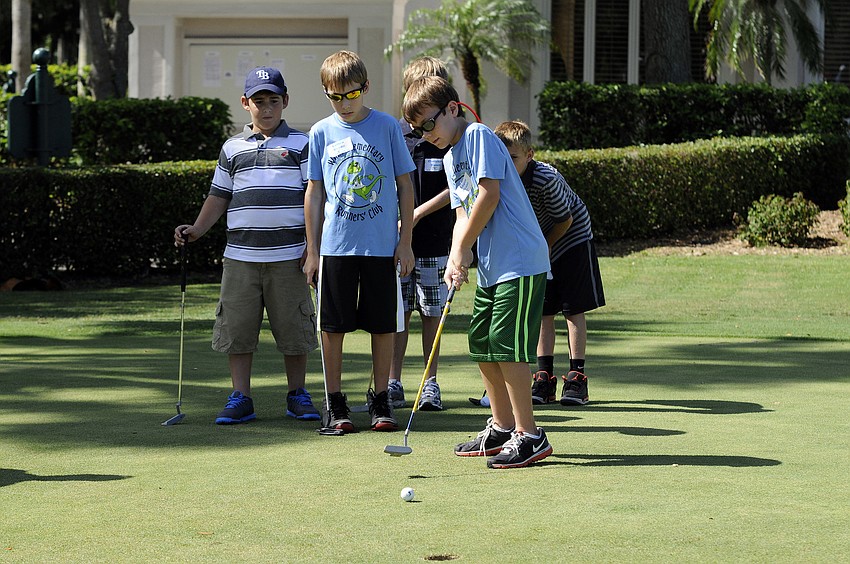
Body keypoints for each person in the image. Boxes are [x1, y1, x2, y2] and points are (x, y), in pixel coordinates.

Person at [402, 76, 553, 469]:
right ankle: (502, 426)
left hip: (519, 260)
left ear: (452, 108)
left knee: (505, 342)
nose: (424, 134)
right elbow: (462, 213)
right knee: (482, 340)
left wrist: (462, 247)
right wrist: (458, 254)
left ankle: (530, 435)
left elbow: (489, 193)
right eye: (417, 129)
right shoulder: (451, 158)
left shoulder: (481, 136)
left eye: (428, 123)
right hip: (491, 264)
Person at [174, 66, 320, 424]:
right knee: (237, 329)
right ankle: (241, 396)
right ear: (245, 103)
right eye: (258, 101)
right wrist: (196, 229)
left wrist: (312, 245)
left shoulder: (302, 144)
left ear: (285, 101)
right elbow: (218, 196)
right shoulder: (232, 148)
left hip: (290, 257)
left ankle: (297, 394)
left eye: (273, 100)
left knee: (294, 330)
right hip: (239, 257)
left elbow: (315, 198)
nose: (266, 108)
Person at [302, 50, 416, 434]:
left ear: (365, 88)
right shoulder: (320, 132)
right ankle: (334, 403)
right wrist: (313, 251)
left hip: (381, 247)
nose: (343, 104)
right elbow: (315, 194)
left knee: (383, 325)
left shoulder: (386, 127)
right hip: (335, 248)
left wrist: (405, 242)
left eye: (351, 95)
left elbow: (404, 186)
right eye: (334, 96)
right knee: (332, 327)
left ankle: (380, 399)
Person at [494, 120, 606, 406]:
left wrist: (545, 247)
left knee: (572, 308)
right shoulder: (498, 178)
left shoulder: (546, 179)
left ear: (529, 155)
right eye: (501, 157)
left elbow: (565, 220)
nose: (506, 164)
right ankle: (543, 377)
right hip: (538, 242)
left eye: (513, 158)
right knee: (543, 309)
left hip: (571, 238)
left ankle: (576, 378)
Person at [388, 56, 453, 411]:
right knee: (399, 311)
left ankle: (430, 383)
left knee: (432, 311)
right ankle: (393, 382)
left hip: (434, 242)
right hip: (398, 243)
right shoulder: (395, 132)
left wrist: (413, 216)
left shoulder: (448, 136)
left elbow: (455, 188)